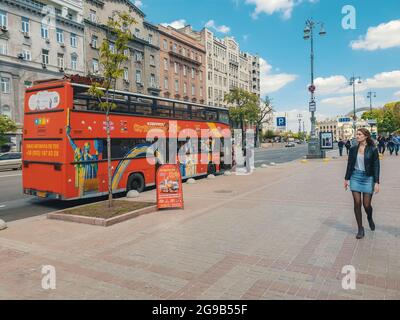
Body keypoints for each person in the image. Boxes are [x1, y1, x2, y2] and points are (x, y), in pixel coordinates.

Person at [344, 128, 380, 239]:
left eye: (359, 134)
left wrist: (376, 182)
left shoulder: (373, 149)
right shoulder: (353, 149)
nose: (357, 136)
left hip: (368, 178)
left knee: (366, 205)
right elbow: (350, 164)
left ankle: (369, 217)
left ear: (366, 136)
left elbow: (376, 166)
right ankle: (360, 228)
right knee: (357, 203)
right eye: (357, 134)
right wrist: (346, 179)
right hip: (355, 176)